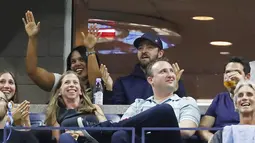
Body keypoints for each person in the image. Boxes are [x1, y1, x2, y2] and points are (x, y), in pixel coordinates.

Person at [55, 58, 198, 143]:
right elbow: (124, 126)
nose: (170, 74)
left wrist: (149, 127)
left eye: (171, 71)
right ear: (150, 80)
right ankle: (103, 131)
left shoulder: (186, 102)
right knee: (120, 134)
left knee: (165, 111)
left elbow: (186, 131)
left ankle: (102, 130)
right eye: (163, 71)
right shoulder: (139, 104)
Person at [22, 10, 113, 103]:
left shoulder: (99, 88)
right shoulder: (61, 82)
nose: (77, 64)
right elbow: (32, 71)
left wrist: (90, 50)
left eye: (81, 60)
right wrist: (32, 38)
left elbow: (95, 82)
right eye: (73, 61)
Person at [112, 33, 186, 104]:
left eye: (150, 47)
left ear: (160, 53)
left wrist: (174, 89)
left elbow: (183, 109)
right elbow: (116, 113)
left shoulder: (170, 80)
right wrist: (109, 89)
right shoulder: (123, 83)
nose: (144, 51)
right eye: (140, 48)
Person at [199, 57, 251, 142]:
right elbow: (203, 127)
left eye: (237, 72)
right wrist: (213, 139)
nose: (231, 75)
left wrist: (241, 85)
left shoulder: (252, 99)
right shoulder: (220, 98)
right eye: (228, 72)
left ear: (247, 77)